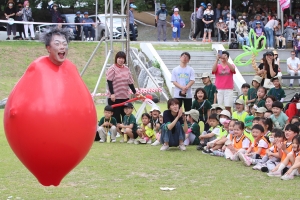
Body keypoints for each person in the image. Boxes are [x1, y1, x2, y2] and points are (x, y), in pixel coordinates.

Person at [106, 51, 137, 124]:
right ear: (116, 59)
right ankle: (116, 130)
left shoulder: (127, 69)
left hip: (124, 96)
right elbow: (109, 82)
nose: (121, 60)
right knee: (116, 114)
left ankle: (125, 130)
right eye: (119, 58)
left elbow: (130, 82)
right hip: (115, 97)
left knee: (125, 113)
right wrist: (112, 94)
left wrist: (135, 92)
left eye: (123, 58)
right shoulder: (112, 68)